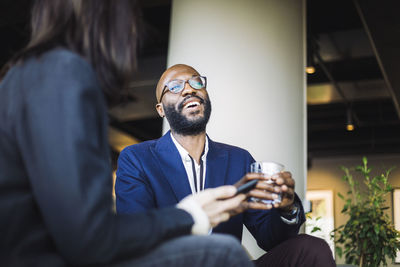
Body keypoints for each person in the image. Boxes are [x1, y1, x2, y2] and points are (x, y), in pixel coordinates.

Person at [0, 1, 255, 266]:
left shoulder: (23, 75)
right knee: (223, 252)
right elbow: (89, 238)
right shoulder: (64, 72)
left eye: (195, 83)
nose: (134, 30)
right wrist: (191, 215)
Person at [115, 64, 337, 266]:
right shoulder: (137, 158)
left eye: (196, 82)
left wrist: (286, 207)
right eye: (174, 86)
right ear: (161, 109)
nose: (189, 89)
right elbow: (138, 237)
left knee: (312, 248)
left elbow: (270, 239)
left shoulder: (239, 159)